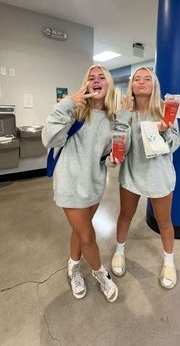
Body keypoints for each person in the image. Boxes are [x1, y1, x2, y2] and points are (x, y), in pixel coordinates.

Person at [42, 65, 118, 302]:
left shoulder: (111, 119)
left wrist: (112, 161)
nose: (96, 80)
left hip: (94, 186)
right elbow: (49, 138)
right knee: (87, 237)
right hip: (70, 185)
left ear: (108, 85)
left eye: (101, 77)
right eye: (91, 77)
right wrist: (66, 103)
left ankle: (73, 267)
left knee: (79, 230)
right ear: (85, 84)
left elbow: (104, 156)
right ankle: (100, 273)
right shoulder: (74, 111)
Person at [111, 67, 180, 289]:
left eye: (147, 79)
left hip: (159, 176)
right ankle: (119, 251)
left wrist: (164, 131)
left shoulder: (164, 109)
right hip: (132, 173)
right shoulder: (126, 111)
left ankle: (169, 262)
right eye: (137, 79)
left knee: (164, 222)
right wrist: (122, 120)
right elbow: (122, 146)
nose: (141, 82)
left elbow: (176, 144)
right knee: (125, 215)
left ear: (154, 84)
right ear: (132, 86)